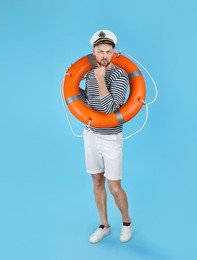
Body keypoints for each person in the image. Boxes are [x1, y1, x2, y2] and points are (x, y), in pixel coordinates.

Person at [79, 29, 132, 243]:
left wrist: (101, 80)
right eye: (100, 51)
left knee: (114, 187)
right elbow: (87, 101)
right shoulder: (90, 74)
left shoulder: (120, 76)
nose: (104, 56)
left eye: (108, 51)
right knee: (97, 181)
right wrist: (71, 84)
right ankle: (104, 225)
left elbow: (109, 108)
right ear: (93, 51)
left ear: (113, 52)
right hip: (90, 135)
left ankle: (126, 222)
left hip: (111, 138)